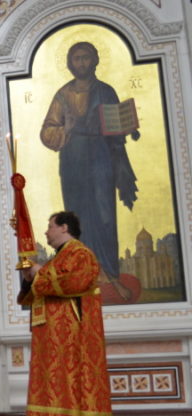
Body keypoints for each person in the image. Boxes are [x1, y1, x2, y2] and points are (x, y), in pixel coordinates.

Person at [40, 41, 139, 300]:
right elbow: (47, 131)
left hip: (101, 157)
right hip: (73, 159)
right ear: (70, 64)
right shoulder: (63, 95)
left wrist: (126, 127)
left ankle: (109, 273)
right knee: (78, 215)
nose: (82, 63)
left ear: (94, 60)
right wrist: (67, 128)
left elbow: (116, 127)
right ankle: (83, 274)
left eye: (86, 58)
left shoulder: (105, 91)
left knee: (105, 214)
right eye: (77, 59)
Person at [18, 211, 116, 416]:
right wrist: (30, 276)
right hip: (53, 337)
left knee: (70, 385)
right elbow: (38, 290)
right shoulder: (59, 257)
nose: (46, 231)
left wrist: (39, 272)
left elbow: (72, 283)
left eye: (50, 226)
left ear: (64, 227)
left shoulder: (81, 254)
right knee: (52, 386)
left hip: (73, 338)